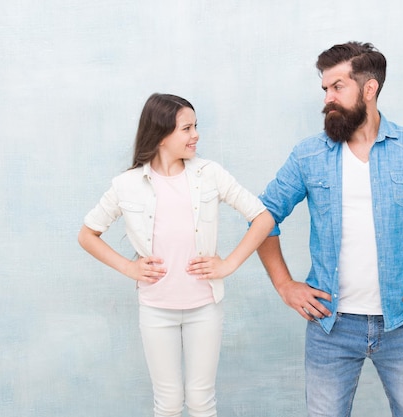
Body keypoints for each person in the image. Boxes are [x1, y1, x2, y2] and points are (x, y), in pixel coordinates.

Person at [256, 42, 403, 417]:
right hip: (331, 327)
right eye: (325, 89)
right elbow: (262, 216)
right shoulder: (309, 155)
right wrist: (284, 284)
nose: (328, 97)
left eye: (337, 87)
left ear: (369, 88)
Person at [78, 93, 275, 417]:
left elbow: (263, 217)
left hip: (204, 308)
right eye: (186, 128)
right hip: (156, 309)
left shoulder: (209, 174)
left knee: (201, 401)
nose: (195, 135)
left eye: (195, 126)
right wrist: (129, 267)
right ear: (161, 134)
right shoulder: (126, 184)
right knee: (167, 403)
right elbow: (87, 235)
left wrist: (229, 264)